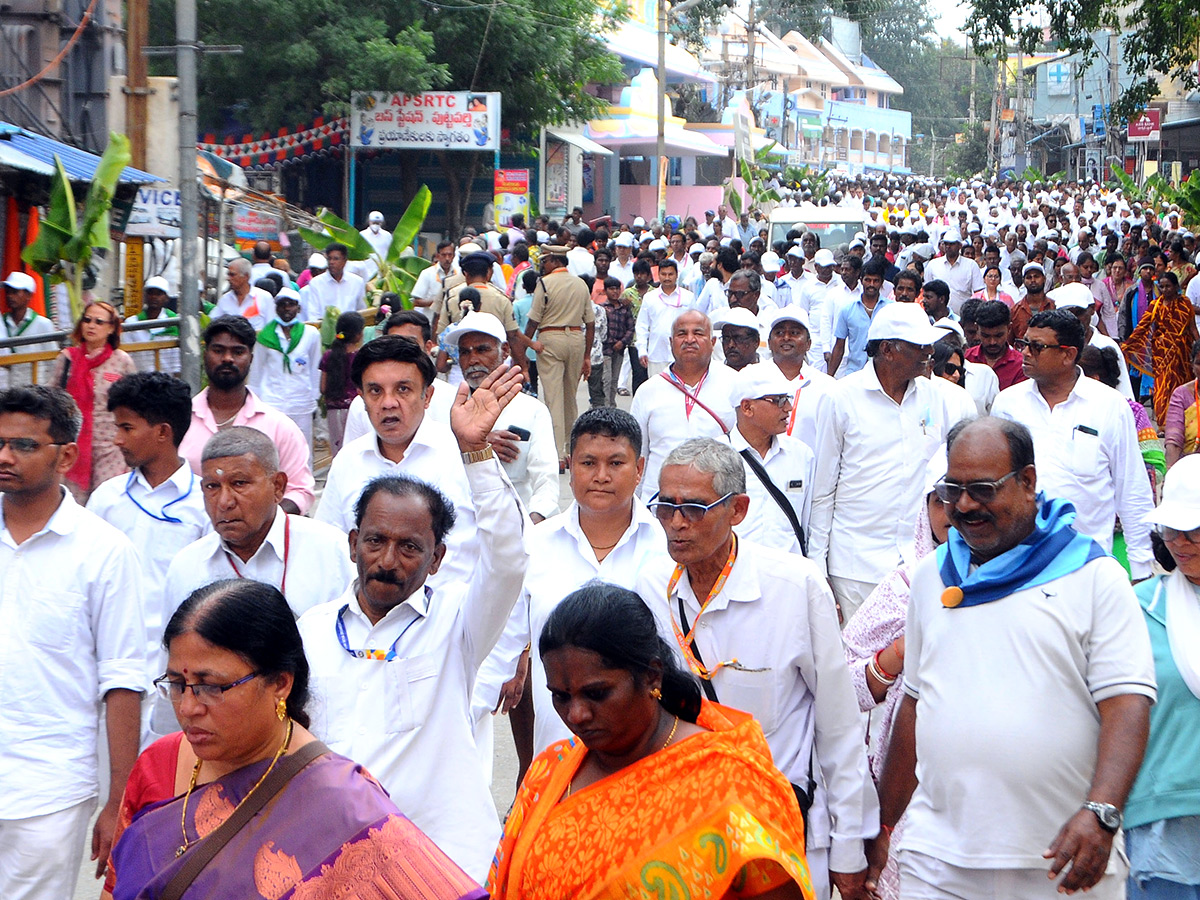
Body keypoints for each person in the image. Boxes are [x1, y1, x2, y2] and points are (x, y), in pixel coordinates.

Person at [868, 417, 1156, 900]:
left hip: (1063, 859)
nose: (963, 505)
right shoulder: (930, 579)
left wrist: (1102, 813)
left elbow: (1127, 703)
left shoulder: (1093, 577)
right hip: (938, 861)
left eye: (982, 489)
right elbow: (915, 706)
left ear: (1028, 482)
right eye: (951, 489)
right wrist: (881, 824)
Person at [105, 579, 485, 900]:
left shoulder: (345, 804)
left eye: (211, 686)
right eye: (176, 684)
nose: (187, 707)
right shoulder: (159, 765)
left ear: (280, 684)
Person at [299, 361, 528, 881]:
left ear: (438, 558)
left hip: (443, 864)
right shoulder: (312, 633)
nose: (388, 560)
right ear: (353, 542)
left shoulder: (457, 625)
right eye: (376, 541)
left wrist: (476, 453)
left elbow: (509, 559)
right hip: (339, 862)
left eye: (411, 547)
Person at [637, 439, 878, 900]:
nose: (676, 523)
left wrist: (849, 847)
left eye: (694, 507)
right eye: (666, 506)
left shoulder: (796, 586)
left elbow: (839, 725)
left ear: (739, 510)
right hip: (688, 827)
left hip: (779, 824)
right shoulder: (650, 586)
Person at [487, 584, 814, 900]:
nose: (576, 715)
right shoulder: (550, 770)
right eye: (560, 696)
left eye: (597, 693)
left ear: (651, 676)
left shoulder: (728, 782)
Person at [0, 385, 145, 899]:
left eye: (22, 445)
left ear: (66, 455)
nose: (3, 456)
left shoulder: (104, 553)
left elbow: (124, 681)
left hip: (49, 790)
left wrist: (118, 800)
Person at [474, 407, 668, 785]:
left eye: (616, 463)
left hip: (650, 763)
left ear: (640, 468)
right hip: (560, 765)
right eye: (588, 462)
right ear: (570, 465)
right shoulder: (535, 547)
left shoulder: (667, 549)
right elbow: (498, 652)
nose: (601, 476)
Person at [810, 303, 965, 624]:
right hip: (855, 568)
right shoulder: (842, 398)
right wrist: (818, 567)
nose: (929, 352)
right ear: (887, 350)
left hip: (919, 562)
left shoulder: (934, 397)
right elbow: (822, 489)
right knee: (857, 665)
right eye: (919, 346)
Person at [841, 454, 951, 900]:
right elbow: (837, 686)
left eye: (976, 494)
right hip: (904, 788)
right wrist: (893, 659)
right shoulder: (906, 588)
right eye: (942, 499)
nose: (957, 511)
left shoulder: (1032, 590)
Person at [86, 372, 210, 741]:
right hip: (110, 670)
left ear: (162, 432)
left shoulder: (202, 505)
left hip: (178, 675)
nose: (117, 439)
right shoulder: (106, 500)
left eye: (127, 427)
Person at [993, 309, 1155, 579]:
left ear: (1068, 355)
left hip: (1088, 567)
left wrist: (1140, 568)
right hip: (1018, 564)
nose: (1026, 353)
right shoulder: (1008, 405)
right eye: (1024, 344)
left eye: (1037, 347)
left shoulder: (1109, 406)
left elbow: (1132, 490)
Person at [165, 425, 354, 630]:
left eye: (239, 483)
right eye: (212, 486)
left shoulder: (331, 553)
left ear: (278, 486)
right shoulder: (187, 567)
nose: (224, 502)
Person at [1124, 456, 1200, 900]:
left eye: (1193, 529)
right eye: (1171, 530)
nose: (1180, 542)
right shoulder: (1140, 607)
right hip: (1163, 823)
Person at [178, 316, 315, 515]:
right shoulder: (179, 421)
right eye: (218, 350)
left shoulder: (279, 427)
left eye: (238, 351)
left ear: (250, 357)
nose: (227, 358)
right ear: (205, 354)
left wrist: (260, 526)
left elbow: (299, 491)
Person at [446, 311, 558, 522]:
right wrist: (472, 447)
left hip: (517, 523)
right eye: (464, 352)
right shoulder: (448, 408)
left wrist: (532, 528)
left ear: (504, 350)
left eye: (482, 350)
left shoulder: (533, 411)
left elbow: (546, 481)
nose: (472, 360)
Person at [630, 309, 736, 500]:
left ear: (713, 343)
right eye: (681, 334)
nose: (689, 339)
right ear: (671, 343)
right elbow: (637, 455)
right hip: (659, 502)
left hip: (714, 503)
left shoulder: (735, 385)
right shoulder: (648, 391)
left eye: (698, 333)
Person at [50, 301, 136, 500]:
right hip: (74, 445)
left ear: (111, 328)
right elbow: (53, 396)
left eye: (99, 322)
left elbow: (135, 403)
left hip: (111, 446)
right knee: (73, 504)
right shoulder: (67, 358)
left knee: (108, 500)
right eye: (87, 320)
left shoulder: (121, 361)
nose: (91, 326)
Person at [730, 363, 814, 555]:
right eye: (779, 400)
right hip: (734, 575)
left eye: (788, 398)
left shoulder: (801, 455)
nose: (789, 407)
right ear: (747, 407)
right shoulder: (715, 458)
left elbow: (810, 522)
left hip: (788, 576)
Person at [524, 245, 594, 462]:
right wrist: (587, 356)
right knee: (570, 397)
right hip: (576, 339)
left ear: (554, 260)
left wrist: (526, 344)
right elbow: (590, 324)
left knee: (554, 398)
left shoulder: (544, 284)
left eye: (545, 261)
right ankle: (572, 448)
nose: (543, 265)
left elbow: (533, 321)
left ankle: (557, 453)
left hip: (550, 339)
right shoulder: (580, 284)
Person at [342, 310, 456, 443]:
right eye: (376, 391)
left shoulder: (451, 398)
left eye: (403, 389)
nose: (389, 404)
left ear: (427, 396)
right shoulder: (359, 405)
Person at [1079, 344, 1164, 506]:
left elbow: (1156, 466)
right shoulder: (1065, 409)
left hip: (1121, 516)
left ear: (1094, 379)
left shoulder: (1131, 411)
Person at [250, 287, 322, 458]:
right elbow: (256, 371)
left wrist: (314, 396)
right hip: (272, 401)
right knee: (272, 450)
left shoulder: (310, 334)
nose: (287, 309)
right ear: (276, 308)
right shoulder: (265, 337)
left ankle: (304, 484)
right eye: (282, 304)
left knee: (302, 448)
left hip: (301, 400)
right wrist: (256, 402)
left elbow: (315, 368)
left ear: (299, 308)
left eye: (291, 305)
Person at [1123, 271, 1200, 427]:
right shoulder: (1156, 305)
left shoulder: (1185, 304)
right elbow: (1142, 327)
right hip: (1161, 353)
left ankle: (1183, 422)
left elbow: (1192, 328)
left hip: (1181, 354)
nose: (1165, 290)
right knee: (1162, 387)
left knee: (1181, 386)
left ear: (1176, 287)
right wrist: (1127, 345)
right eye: (1162, 287)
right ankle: (1163, 424)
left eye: (1168, 286)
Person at [1050, 281, 1135, 399]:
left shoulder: (1107, 345)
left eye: (1079, 313)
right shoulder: (1053, 348)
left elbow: (1124, 393)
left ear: (1092, 309)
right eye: (1067, 314)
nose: (1074, 319)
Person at [829, 259, 892, 378]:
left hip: (884, 374)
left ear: (882, 282)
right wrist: (829, 376)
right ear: (861, 280)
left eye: (876, 281)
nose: (871, 285)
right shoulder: (847, 310)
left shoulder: (890, 309)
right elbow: (839, 346)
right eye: (868, 280)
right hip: (855, 373)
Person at [635, 257, 697, 378]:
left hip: (683, 354)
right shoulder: (650, 297)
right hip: (656, 354)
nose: (667, 278)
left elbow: (695, 324)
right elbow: (642, 325)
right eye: (663, 274)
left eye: (670, 274)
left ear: (676, 275)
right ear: (658, 275)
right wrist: (642, 350)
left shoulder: (688, 297)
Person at [320, 311, 364, 458]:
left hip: (334, 410)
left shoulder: (329, 355)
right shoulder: (360, 356)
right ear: (358, 334)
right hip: (356, 408)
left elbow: (323, 387)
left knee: (338, 450)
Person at [964, 299, 1026, 390]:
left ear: (1009, 329)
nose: (992, 342)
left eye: (998, 336)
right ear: (977, 329)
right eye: (986, 336)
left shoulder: (1021, 366)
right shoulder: (967, 358)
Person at [124, 276, 180, 375]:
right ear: (145, 296)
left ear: (166, 298)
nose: (154, 297)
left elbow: (177, 364)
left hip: (166, 382)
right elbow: (127, 357)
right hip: (139, 381)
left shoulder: (174, 323)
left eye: (159, 294)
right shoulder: (131, 323)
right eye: (151, 293)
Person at [301, 242, 366, 322]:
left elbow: (362, 310)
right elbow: (313, 313)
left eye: (336, 259)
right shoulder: (316, 283)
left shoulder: (357, 282)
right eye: (329, 259)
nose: (331, 262)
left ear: (345, 261)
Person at [924, 229, 983, 313]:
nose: (948, 246)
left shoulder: (971, 265)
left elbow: (979, 293)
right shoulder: (933, 264)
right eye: (946, 244)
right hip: (937, 317)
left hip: (963, 316)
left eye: (951, 244)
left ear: (959, 246)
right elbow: (927, 291)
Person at [1163, 338, 1200, 467]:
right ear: (1192, 365)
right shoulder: (1181, 395)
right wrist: (1171, 473)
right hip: (1189, 469)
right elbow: (1174, 438)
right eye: (1199, 363)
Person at [599, 275, 634, 407]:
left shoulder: (624, 308)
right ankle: (606, 405)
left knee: (614, 379)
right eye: (611, 289)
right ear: (605, 291)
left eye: (617, 289)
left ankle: (612, 404)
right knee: (606, 379)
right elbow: (600, 329)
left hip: (619, 349)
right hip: (606, 349)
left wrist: (623, 342)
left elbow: (630, 328)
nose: (614, 292)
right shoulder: (602, 308)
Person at [214, 258, 270, 329]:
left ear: (246, 276)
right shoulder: (225, 299)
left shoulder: (264, 297)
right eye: (228, 275)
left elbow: (271, 327)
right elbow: (212, 322)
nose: (228, 278)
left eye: (232, 275)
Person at [1010, 262, 1053, 341]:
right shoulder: (1015, 310)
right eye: (1029, 277)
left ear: (1044, 278)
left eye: (1036, 276)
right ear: (1024, 280)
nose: (1033, 280)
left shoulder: (1054, 307)